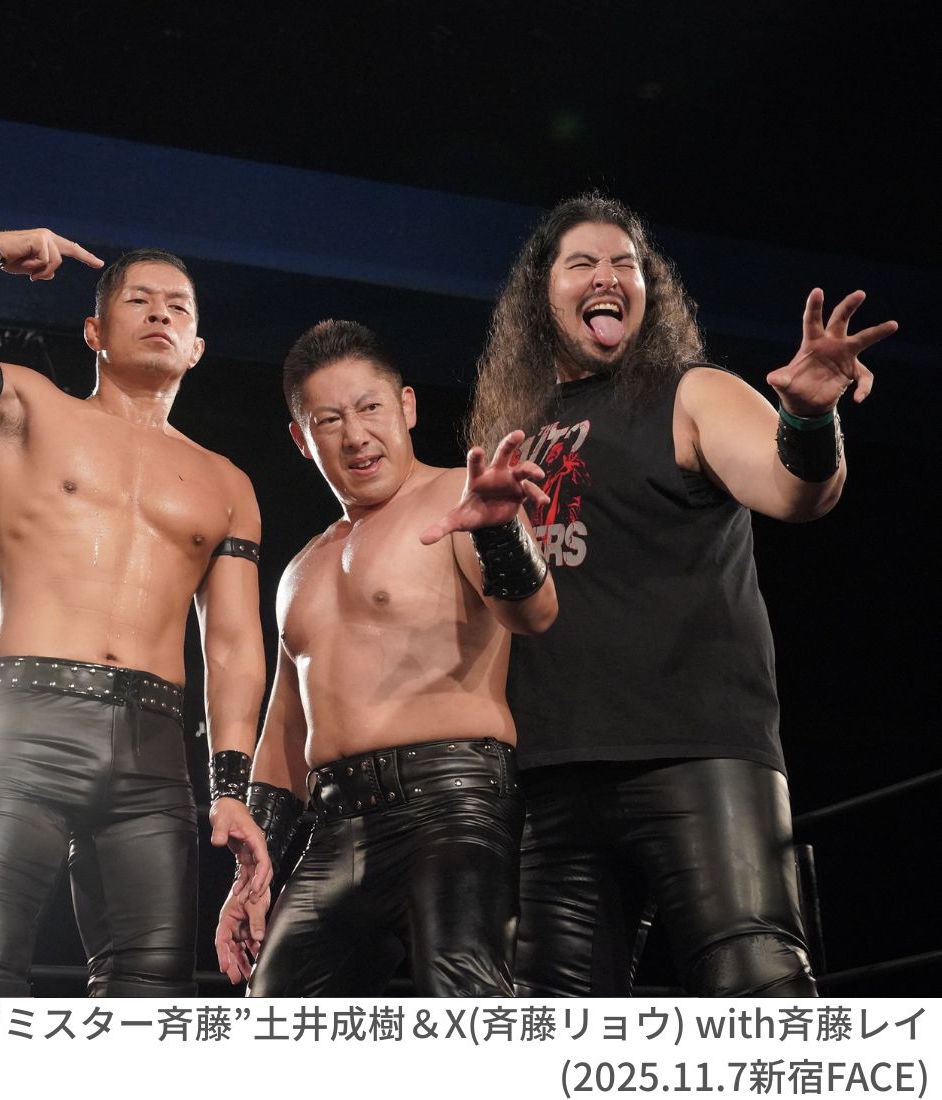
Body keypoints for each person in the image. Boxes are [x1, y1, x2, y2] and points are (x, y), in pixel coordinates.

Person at [466, 192, 897, 997]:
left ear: (647, 288)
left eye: (625, 264)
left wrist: (807, 420)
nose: (608, 276)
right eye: (583, 263)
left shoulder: (692, 392)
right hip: (554, 771)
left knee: (757, 988)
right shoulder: (514, 433)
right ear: (541, 295)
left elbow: (793, 492)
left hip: (697, 751)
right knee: (549, 1033)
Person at [0, 237, 271, 997]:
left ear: (198, 347)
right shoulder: (27, 405)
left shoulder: (227, 483)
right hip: (26, 729)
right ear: (94, 330)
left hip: (153, 753)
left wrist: (231, 786)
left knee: (152, 997)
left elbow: (235, 646)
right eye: (139, 300)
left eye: (178, 307)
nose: (160, 314)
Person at [214, 319, 557, 995]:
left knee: (465, 1014)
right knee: (271, 1018)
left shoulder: (462, 499)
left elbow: (536, 615)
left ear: (406, 406)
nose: (356, 434)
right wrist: (254, 870)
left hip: (451, 804)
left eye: (369, 407)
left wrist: (498, 536)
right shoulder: (302, 567)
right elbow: (284, 731)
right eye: (329, 419)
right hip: (334, 825)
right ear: (302, 440)